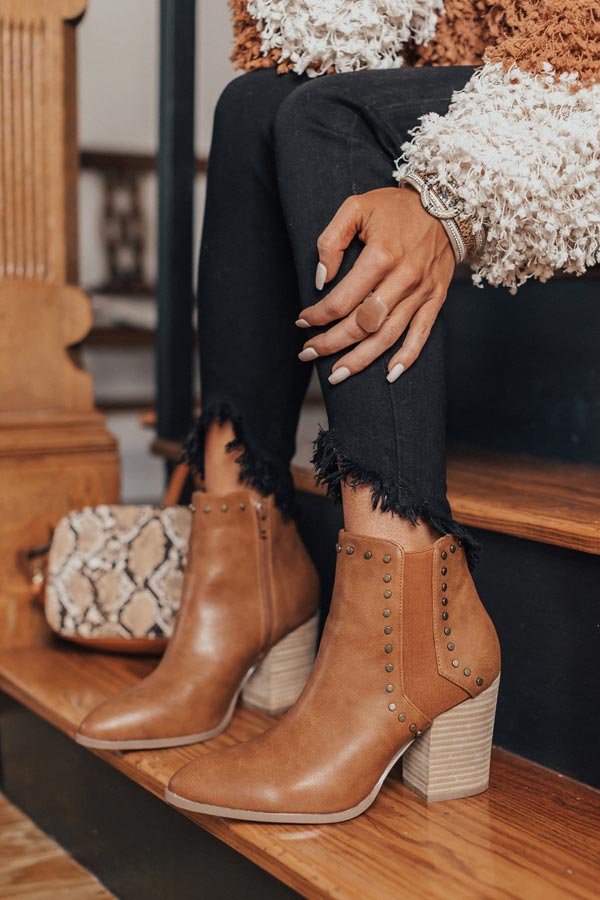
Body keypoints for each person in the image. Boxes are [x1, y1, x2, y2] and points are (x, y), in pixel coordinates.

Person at [77, 0, 599, 822]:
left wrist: (448, 200)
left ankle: (406, 616)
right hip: (498, 68)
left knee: (330, 117)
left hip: (577, 79)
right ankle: (239, 557)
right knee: (250, 103)